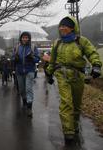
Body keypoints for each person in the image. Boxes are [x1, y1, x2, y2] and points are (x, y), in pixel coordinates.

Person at [43, 16, 102, 145]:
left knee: (76, 105)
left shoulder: (81, 41)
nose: (62, 28)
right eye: (61, 26)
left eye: (65, 26)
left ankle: (74, 126)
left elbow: (92, 53)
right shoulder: (57, 43)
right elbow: (52, 61)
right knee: (66, 103)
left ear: (72, 28)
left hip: (78, 76)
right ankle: (68, 133)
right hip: (62, 75)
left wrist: (96, 65)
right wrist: (49, 73)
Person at [12, 31, 40, 117]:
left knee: (28, 89)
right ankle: (24, 100)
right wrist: (15, 58)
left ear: (29, 38)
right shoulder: (17, 47)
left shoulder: (33, 47)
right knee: (21, 89)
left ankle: (29, 107)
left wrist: (32, 58)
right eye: (23, 37)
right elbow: (12, 58)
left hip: (30, 71)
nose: (25, 39)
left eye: (26, 37)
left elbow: (37, 59)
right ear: (21, 38)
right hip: (19, 71)